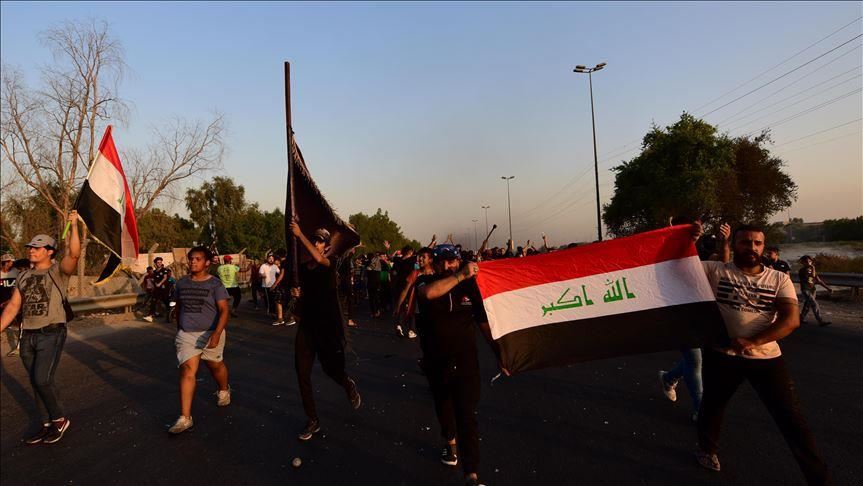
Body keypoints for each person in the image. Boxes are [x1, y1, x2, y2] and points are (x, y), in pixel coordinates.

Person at [695, 224, 832, 485]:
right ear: (734, 245)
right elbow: (675, 268)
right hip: (722, 355)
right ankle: (707, 450)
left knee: (792, 420)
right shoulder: (715, 271)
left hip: (766, 359)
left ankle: (820, 480)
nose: (752, 248)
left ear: (764, 246)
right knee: (712, 407)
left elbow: (791, 320)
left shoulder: (778, 279)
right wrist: (687, 238)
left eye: (757, 243)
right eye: (745, 242)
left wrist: (753, 341)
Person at [0, 211, 81, 444]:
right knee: (36, 382)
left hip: (52, 332)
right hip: (28, 335)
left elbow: (74, 254)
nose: (32, 250)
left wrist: (74, 226)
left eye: (37, 247)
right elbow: (13, 306)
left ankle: (59, 420)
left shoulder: (58, 271)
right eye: (30, 247)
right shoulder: (23, 276)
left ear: (50, 251)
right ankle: (46, 425)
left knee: (42, 379)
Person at [416, 244, 493, 486]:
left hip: (466, 362)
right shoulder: (425, 282)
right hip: (437, 362)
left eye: (454, 261)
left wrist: (501, 353)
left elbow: (483, 322)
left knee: (466, 414)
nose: (450, 265)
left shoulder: (470, 286)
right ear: (437, 263)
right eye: (446, 261)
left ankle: (471, 473)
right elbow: (429, 294)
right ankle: (450, 442)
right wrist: (460, 275)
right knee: (444, 408)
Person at [288, 223, 362, 441]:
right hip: (307, 327)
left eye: (320, 241)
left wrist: (300, 234)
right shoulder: (303, 268)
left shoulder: (330, 263)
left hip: (326, 327)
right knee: (302, 373)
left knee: (331, 369)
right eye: (314, 239)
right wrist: (296, 293)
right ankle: (313, 420)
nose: (316, 243)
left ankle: (347, 384)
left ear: (327, 247)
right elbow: (301, 295)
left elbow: (319, 260)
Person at [659, 221, 731, 422]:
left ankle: (669, 377)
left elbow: (723, 264)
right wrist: (689, 238)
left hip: (704, 317)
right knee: (695, 361)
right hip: (680, 316)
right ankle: (700, 408)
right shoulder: (675, 259)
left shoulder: (710, 263)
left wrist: (725, 242)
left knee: (696, 360)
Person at [168, 246, 232, 434]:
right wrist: (180, 328)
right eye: (191, 259)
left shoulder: (215, 284)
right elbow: (179, 306)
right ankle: (185, 418)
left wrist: (217, 334)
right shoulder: (181, 283)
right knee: (188, 371)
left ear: (207, 263)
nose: (193, 262)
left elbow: (224, 310)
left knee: (215, 366)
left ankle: (223, 389)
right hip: (187, 334)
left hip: (211, 333)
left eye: (197, 259)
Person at [798, 255, 832, 327]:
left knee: (807, 305)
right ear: (803, 262)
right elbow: (813, 276)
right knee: (814, 304)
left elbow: (818, 280)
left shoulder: (812, 270)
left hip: (813, 289)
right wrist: (813, 267)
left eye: (810, 261)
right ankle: (820, 321)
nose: (808, 263)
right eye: (806, 261)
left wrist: (827, 288)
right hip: (806, 289)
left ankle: (801, 318)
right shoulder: (802, 270)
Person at [1, 253, 22, 357]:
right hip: (1, 303)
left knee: (20, 324)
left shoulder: (16, 272)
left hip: (13, 303)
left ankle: (19, 347)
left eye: (12, 261)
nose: (12, 263)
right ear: (4, 263)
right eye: (10, 262)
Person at [145, 257, 170, 322]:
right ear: (155, 263)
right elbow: (154, 280)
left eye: (160, 262)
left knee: (166, 301)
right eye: (158, 262)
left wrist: (160, 283)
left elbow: (165, 278)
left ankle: (171, 311)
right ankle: (150, 316)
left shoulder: (164, 270)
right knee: (153, 301)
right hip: (156, 289)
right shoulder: (154, 272)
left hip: (163, 289)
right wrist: (154, 285)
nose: (159, 263)